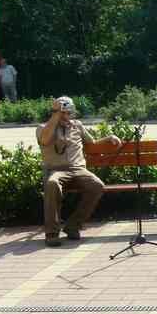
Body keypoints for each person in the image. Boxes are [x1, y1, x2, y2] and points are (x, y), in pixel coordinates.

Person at [36, 96, 118, 247]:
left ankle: (73, 225)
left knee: (97, 186)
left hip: (78, 169)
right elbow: (45, 140)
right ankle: (52, 233)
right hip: (57, 170)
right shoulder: (43, 128)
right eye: (65, 113)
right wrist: (56, 117)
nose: (69, 115)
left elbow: (92, 142)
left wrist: (109, 138)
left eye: (70, 112)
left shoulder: (77, 125)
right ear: (55, 113)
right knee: (52, 183)